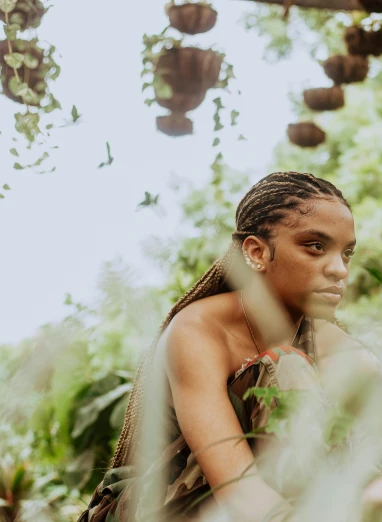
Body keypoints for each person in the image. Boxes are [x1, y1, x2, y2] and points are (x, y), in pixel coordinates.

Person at [78, 171, 362, 522]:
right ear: (257, 252)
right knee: (287, 365)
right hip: (156, 507)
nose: (339, 270)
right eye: (315, 246)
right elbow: (239, 491)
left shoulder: (334, 343)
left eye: (346, 253)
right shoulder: (198, 331)